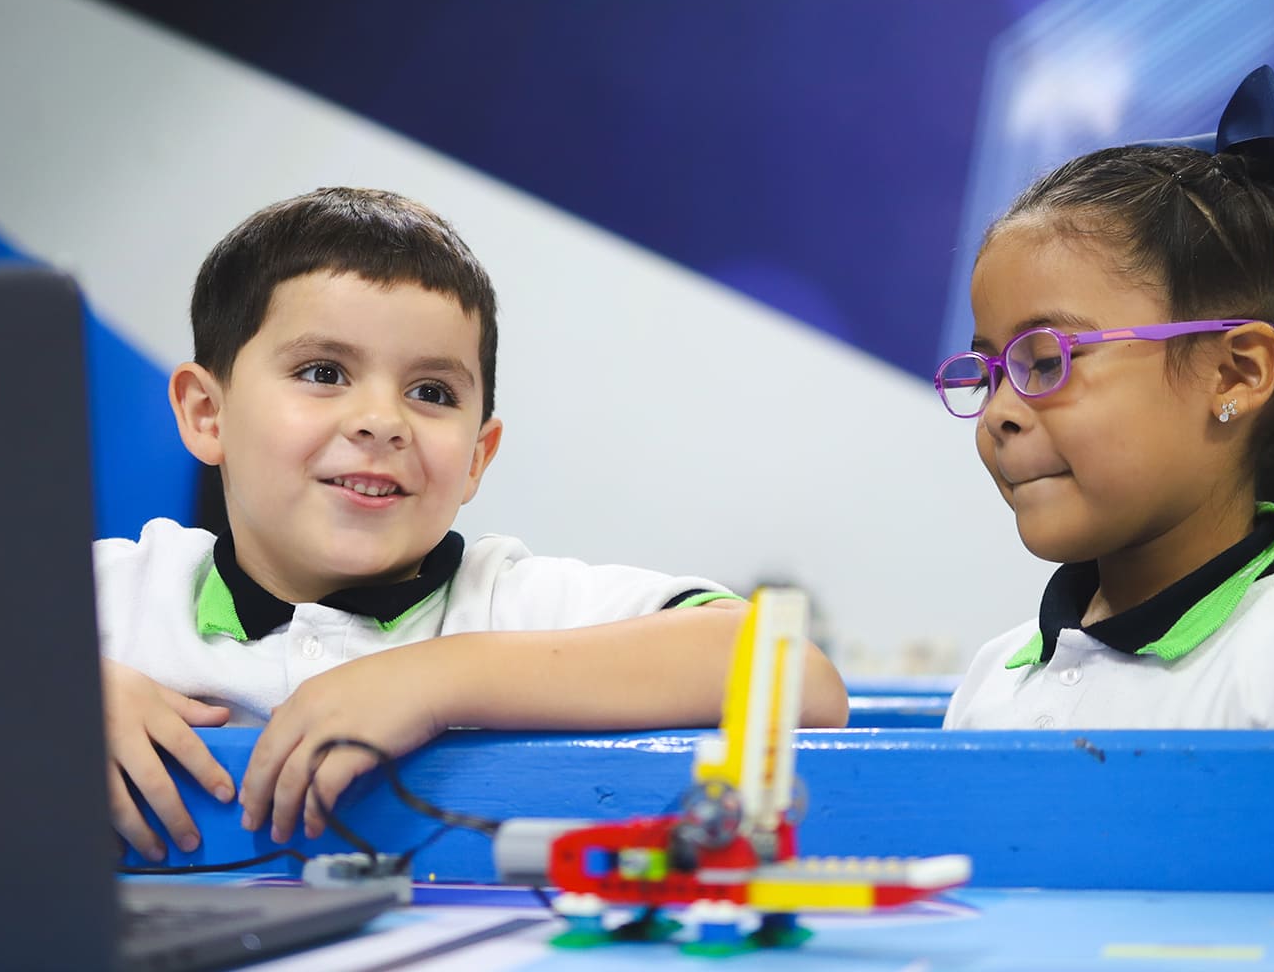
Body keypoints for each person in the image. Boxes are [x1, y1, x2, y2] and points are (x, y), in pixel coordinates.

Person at [98, 186, 849, 861]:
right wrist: (58, 695)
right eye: (324, 373)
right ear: (208, 413)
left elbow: (796, 674)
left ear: (476, 458)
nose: (382, 420)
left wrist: (435, 682)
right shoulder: (113, 596)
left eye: (431, 391)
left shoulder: (510, 604)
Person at [938, 66, 1274, 730]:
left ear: (1236, 373)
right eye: (991, 374)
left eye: (1048, 361)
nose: (999, 413)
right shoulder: (992, 685)